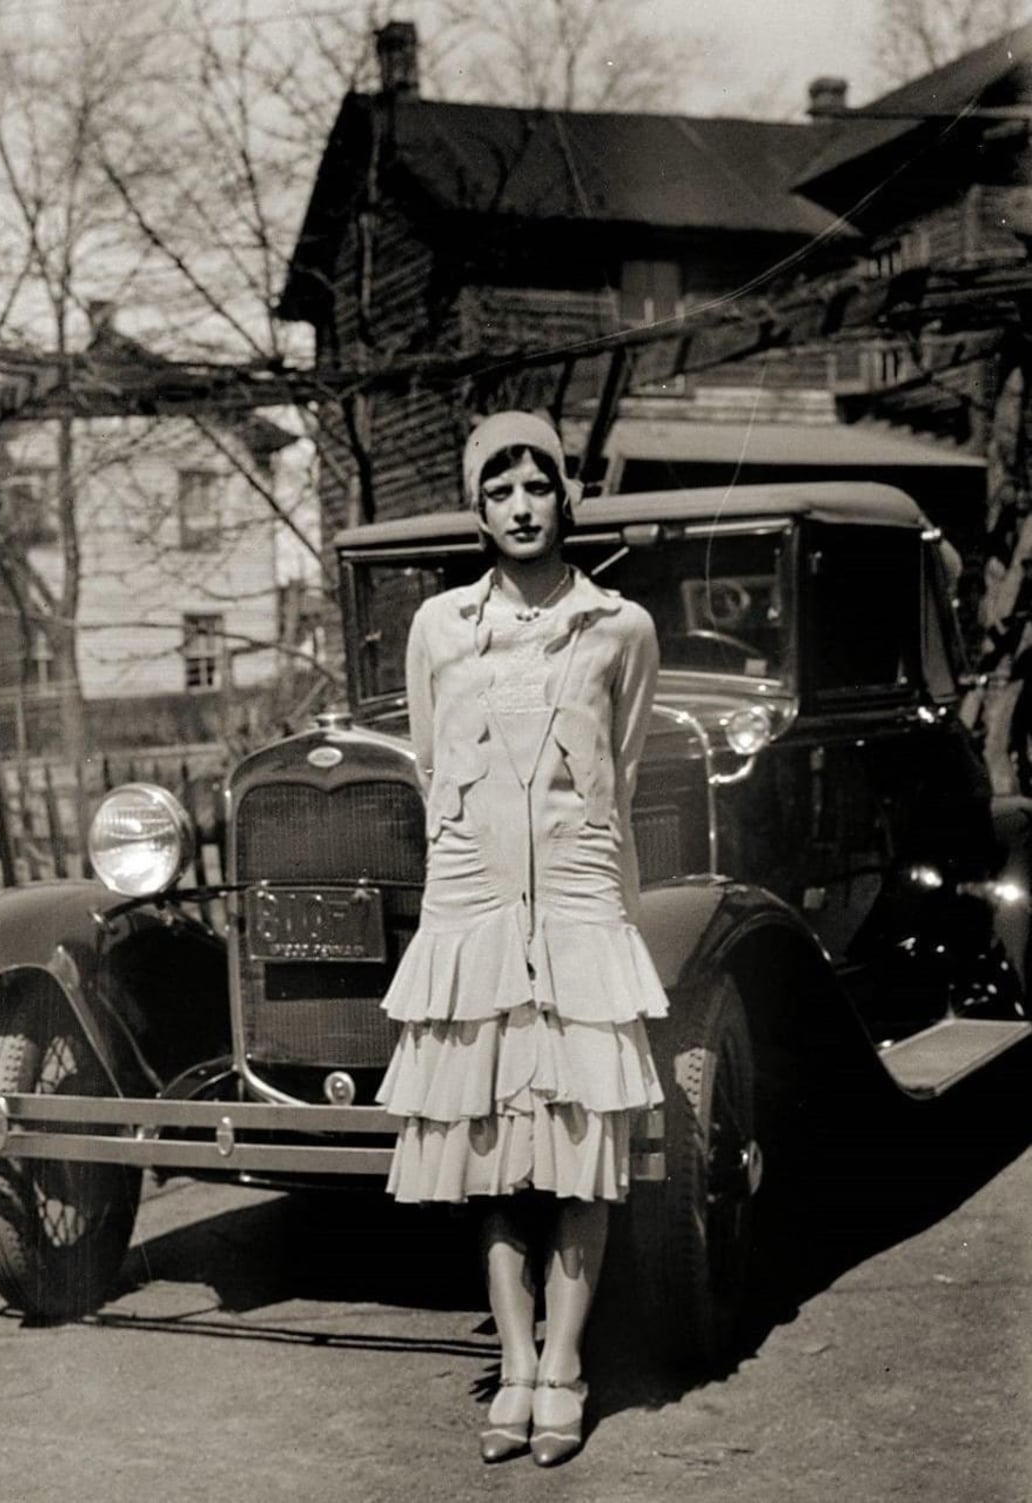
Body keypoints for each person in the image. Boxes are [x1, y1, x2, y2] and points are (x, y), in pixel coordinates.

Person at [376, 410, 668, 1466]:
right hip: (474, 908)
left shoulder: (620, 628)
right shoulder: (439, 628)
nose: (519, 507)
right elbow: (427, 762)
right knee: (495, 1159)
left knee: (584, 1154)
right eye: (497, 492)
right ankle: (513, 1363)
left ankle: (567, 1369)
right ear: (478, 509)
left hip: (583, 898)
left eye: (536, 486)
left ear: (564, 497)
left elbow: (622, 771)